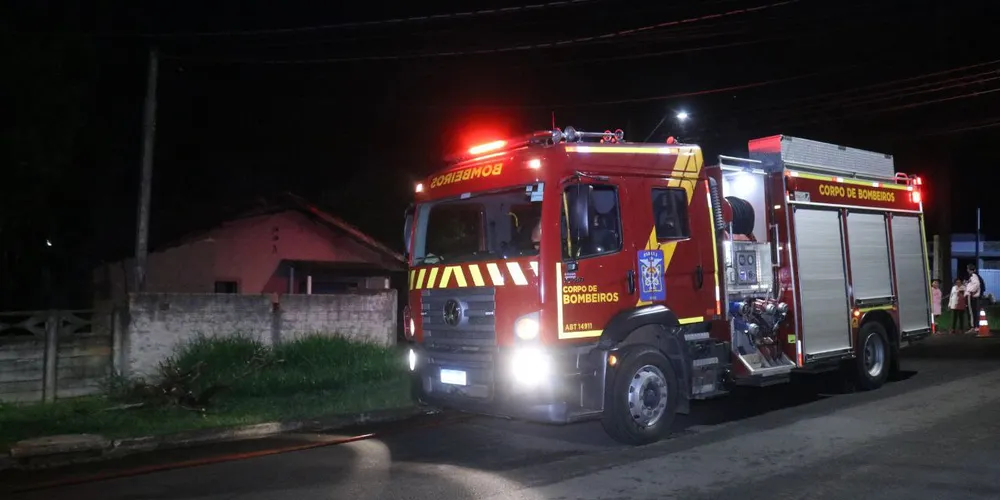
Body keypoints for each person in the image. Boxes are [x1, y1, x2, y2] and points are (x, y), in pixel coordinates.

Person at [964, 264, 982, 334]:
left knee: (971, 312)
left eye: (968, 269)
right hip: (971, 296)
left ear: (970, 269)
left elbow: (977, 284)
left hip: (970, 296)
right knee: (973, 311)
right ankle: (975, 327)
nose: (967, 270)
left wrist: (970, 291)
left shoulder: (973, 276)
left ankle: (973, 327)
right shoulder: (972, 276)